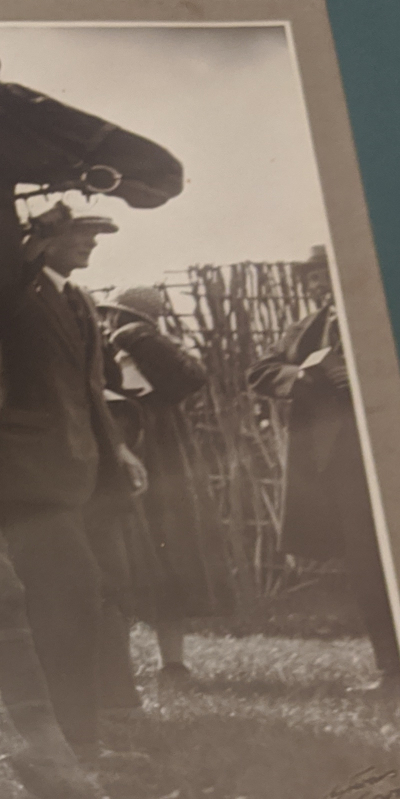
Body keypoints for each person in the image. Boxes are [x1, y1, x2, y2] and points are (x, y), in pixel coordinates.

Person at [0, 205, 151, 756]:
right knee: (73, 595)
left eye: (96, 232)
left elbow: (88, 392)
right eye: (78, 231)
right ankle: (68, 740)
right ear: (41, 239)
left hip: (78, 471)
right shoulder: (11, 294)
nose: (90, 242)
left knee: (74, 595)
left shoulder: (78, 300)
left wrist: (118, 451)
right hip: (23, 472)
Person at [246, 247, 400, 690]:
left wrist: (364, 372)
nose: (316, 285)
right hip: (342, 460)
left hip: (398, 448)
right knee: (367, 561)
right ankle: (391, 669)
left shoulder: (386, 308)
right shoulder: (307, 327)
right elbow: (261, 370)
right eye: (311, 279)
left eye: (323, 274)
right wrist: (306, 373)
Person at [102, 284, 235, 682]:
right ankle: (170, 662)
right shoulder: (142, 346)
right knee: (165, 551)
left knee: (134, 553)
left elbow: (189, 379)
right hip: (163, 450)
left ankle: (134, 664)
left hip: (140, 447)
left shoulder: (129, 340)